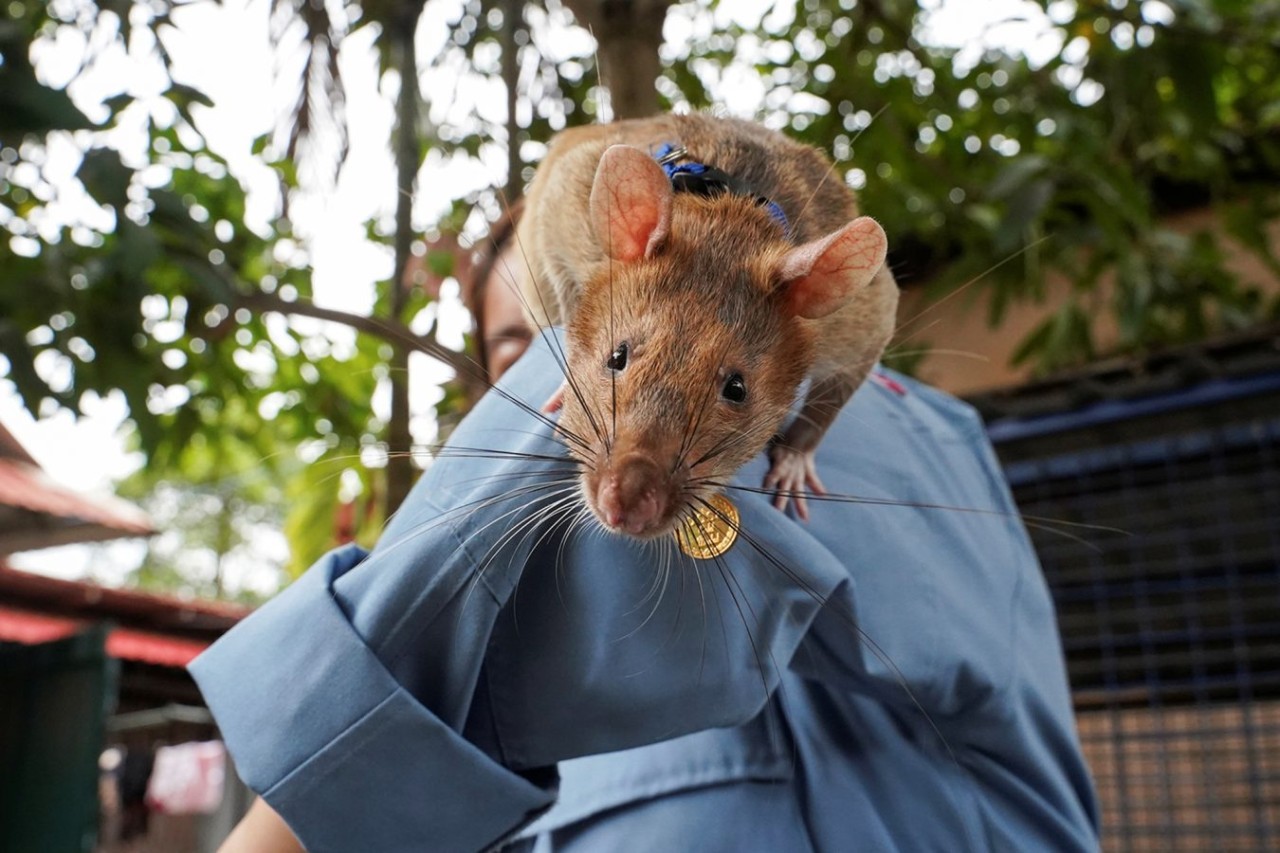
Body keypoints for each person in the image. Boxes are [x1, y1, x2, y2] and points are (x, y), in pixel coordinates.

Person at [195, 204, 1099, 852]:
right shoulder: (525, 582)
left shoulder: (865, 416)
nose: (543, 371)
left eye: (553, 338)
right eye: (519, 349)